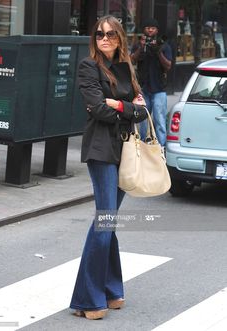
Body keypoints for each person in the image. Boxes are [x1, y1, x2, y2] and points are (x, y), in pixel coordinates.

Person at [69, 15, 148, 320]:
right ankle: (88, 299)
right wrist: (125, 108)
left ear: (119, 38)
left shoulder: (127, 67)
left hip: (126, 150)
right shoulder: (88, 66)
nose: (104, 39)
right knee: (105, 221)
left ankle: (112, 290)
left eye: (110, 35)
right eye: (99, 34)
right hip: (101, 150)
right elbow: (97, 108)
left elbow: (142, 111)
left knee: (108, 223)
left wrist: (120, 107)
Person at [130, 18, 172, 146]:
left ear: (157, 30)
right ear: (144, 30)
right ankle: (142, 146)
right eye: (147, 28)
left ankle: (161, 148)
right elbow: (131, 60)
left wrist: (158, 51)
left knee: (159, 120)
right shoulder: (138, 45)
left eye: (152, 28)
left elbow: (168, 66)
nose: (150, 30)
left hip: (159, 89)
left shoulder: (164, 46)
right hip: (143, 89)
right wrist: (141, 48)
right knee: (142, 120)